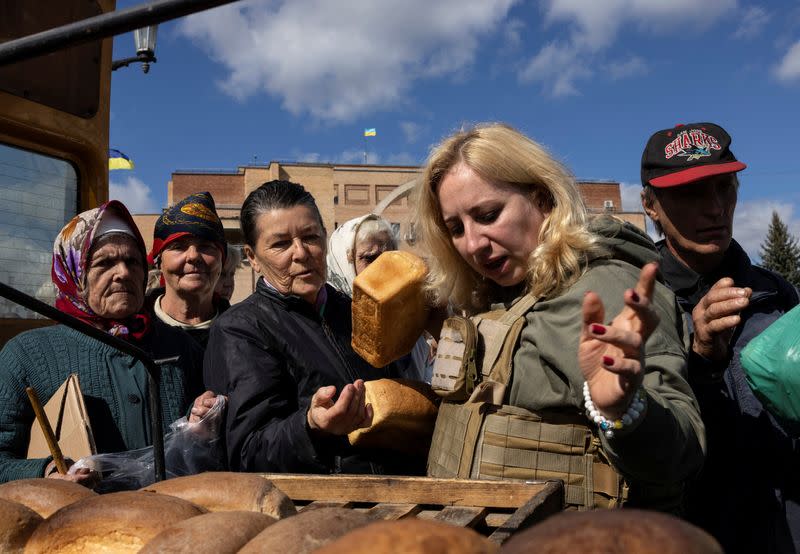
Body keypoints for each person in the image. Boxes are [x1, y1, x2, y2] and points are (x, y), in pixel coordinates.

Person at [416, 123, 705, 511]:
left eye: (487, 215)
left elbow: (682, 452)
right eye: (456, 228)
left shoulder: (601, 290)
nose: (472, 244)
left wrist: (624, 410)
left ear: (544, 199)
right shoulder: (499, 295)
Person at [640, 122, 800, 552]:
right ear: (650, 206)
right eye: (691, 193)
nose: (714, 207)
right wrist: (701, 359)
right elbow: (642, 442)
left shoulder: (776, 293)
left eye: (724, 187)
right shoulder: (635, 304)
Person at [204, 180, 415, 475]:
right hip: (318, 511)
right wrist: (310, 426)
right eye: (280, 244)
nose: (301, 253)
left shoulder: (358, 310)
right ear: (252, 258)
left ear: (325, 238)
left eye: (310, 237)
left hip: (400, 497)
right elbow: (247, 452)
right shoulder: (240, 329)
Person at [0, 201, 205, 484]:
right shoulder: (25, 355)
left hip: (172, 518)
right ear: (73, 273)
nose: (122, 272)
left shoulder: (182, 348)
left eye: (132, 261)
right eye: (105, 263)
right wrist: (45, 473)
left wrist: (206, 418)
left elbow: (208, 446)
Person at [327, 214, 433, 382]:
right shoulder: (329, 326)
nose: (382, 268)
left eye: (388, 258)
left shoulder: (409, 316)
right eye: (369, 258)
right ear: (344, 262)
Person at [147, 192, 229, 349]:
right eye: (178, 247)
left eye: (205, 246)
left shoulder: (245, 333)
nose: (193, 256)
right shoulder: (131, 333)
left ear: (222, 260)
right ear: (159, 263)